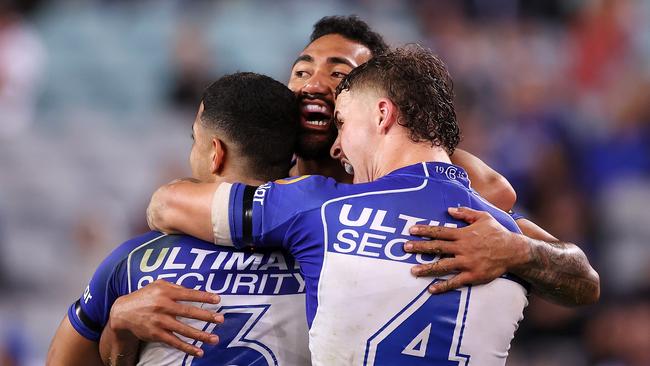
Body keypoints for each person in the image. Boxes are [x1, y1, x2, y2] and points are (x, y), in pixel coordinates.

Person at [105, 15, 599, 358]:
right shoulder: (276, 196)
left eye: (339, 74)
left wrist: (517, 251)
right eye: (302, 70)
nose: (315, 82)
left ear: (379, 101)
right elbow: (163, 204)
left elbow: (502, 199)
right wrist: (120, 323)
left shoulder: (429, 196)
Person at [148, 45, 529, 365]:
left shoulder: (320, 206)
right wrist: (526, 253)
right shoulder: (505, 237)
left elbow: (166, 205)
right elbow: (581, 280)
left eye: (342, 122)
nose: (336, 146)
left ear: (382, 115)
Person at [47, 73, 311, 365]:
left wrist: (120, 327)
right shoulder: (324, 249)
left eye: (194, 140)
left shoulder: (138, 261)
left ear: (215, 153)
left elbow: (61, 360)